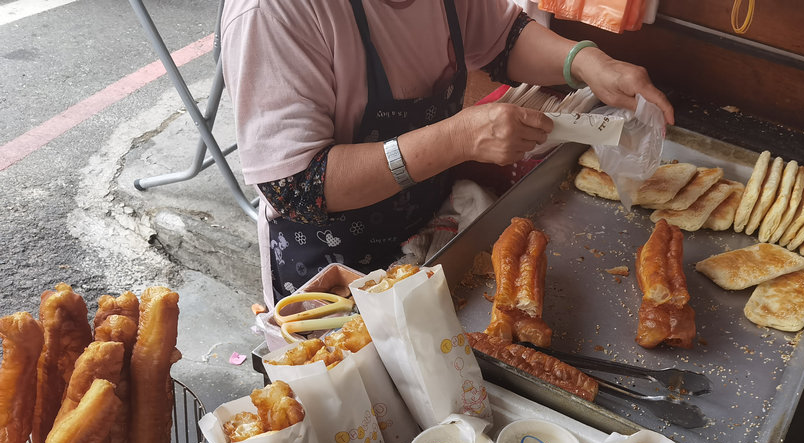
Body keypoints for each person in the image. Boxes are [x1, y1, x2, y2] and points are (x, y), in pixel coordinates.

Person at [220, 0, 674, 306]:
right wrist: (455, 139)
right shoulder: (274, 13)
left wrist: (590, 63)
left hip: (426, 229)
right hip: (334, 263)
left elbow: (502, 37)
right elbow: (295, 186)